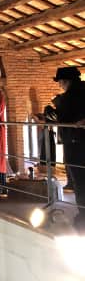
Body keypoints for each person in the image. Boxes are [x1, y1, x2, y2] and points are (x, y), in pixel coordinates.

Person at [50, 67, 85, 230]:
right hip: (78, 141)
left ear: (66, 81)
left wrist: (51, 110)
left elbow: (63, 118)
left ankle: (83, 215)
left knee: (80, 181)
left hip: (75, 142)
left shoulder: (68, 98)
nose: (60, 85)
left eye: (60, 82)